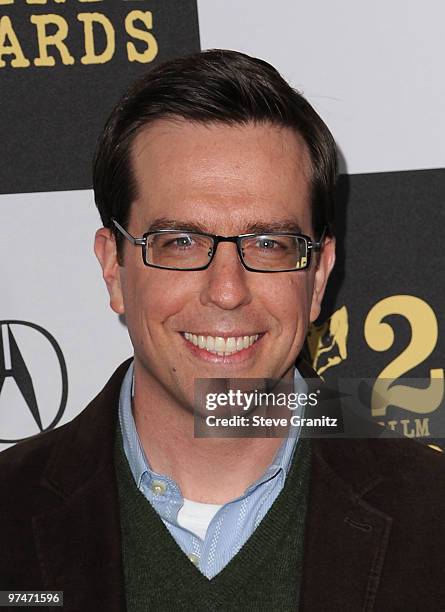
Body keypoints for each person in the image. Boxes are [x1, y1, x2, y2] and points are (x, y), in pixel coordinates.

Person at [1, 49, 445, 612]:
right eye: (181, 242)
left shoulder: (433, 518)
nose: (227, 290)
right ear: (113, 266)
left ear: (317, 278)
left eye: (269, 244)